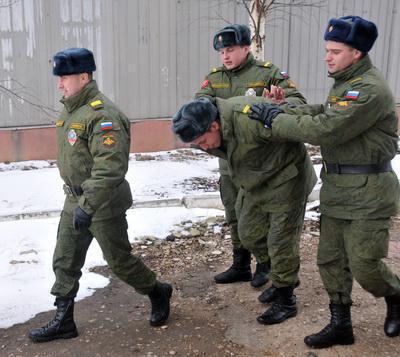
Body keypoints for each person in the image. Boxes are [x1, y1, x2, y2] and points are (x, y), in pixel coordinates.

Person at [248, 16, 400, 347]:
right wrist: (284, 106)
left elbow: (325, 128)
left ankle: (395, 296)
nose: (327, 57)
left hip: (369, 192)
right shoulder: (346, 82)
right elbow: (324, 111)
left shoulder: (368, 89)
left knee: (364, 264)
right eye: (327, 50)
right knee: (330, 260)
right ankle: (341, 324)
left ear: (357, 52)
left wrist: (278, 121)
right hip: (339, 189)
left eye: (335, 51)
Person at [28, 48, 172, 343]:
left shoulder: (103, 115)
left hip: (102, 203)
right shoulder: (70, 109)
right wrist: (78, 203)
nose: (59, 84)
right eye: (59, 77)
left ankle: (158, 291)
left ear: (84, 76)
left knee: (119, 261)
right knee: (65, 259)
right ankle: (63, 321)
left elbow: (110, 167)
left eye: (64, 77)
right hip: (74, 200)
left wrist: (89, 204)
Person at [171, 96, 316, 325]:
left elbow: (299, 116)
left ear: (215, 125)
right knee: (249, 233)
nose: (204, 147)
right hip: (257, 182)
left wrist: (334, 111)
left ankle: (286, 299)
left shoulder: (250, 119)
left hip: (287, 180)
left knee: (280, 242)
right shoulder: (211, 129)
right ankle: (281, 278)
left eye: (203, 141)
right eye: (197, 145)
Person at [195, 24, 307, 290]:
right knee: (234, 214)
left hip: (262, 164)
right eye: (221, 51)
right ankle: (240, 264)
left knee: (261, 217)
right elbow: (199, 106)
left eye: (231, 49)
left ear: (247, 48)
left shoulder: (267, 73)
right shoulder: (215, 78)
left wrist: (278, 103)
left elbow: (298, 103)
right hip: (229, 162)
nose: (225, 56)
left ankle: (265, 264)